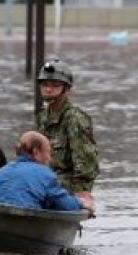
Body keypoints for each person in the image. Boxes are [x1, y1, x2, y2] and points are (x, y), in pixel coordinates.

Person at [0, 132, 95, 213]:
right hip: (25, 222)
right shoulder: (45, 174)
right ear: (36, 152)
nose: (49, 158)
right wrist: (82, 203)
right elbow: (65, 204)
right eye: (48, 152)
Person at [35, 59, 99, 195]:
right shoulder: (43, 117)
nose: (48, 89)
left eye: (55, 85)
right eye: (45, 84)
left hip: (67, 188)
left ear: (67, 89)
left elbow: (87, 169)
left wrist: (80, 195)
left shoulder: (75, 118)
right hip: (45, 181)